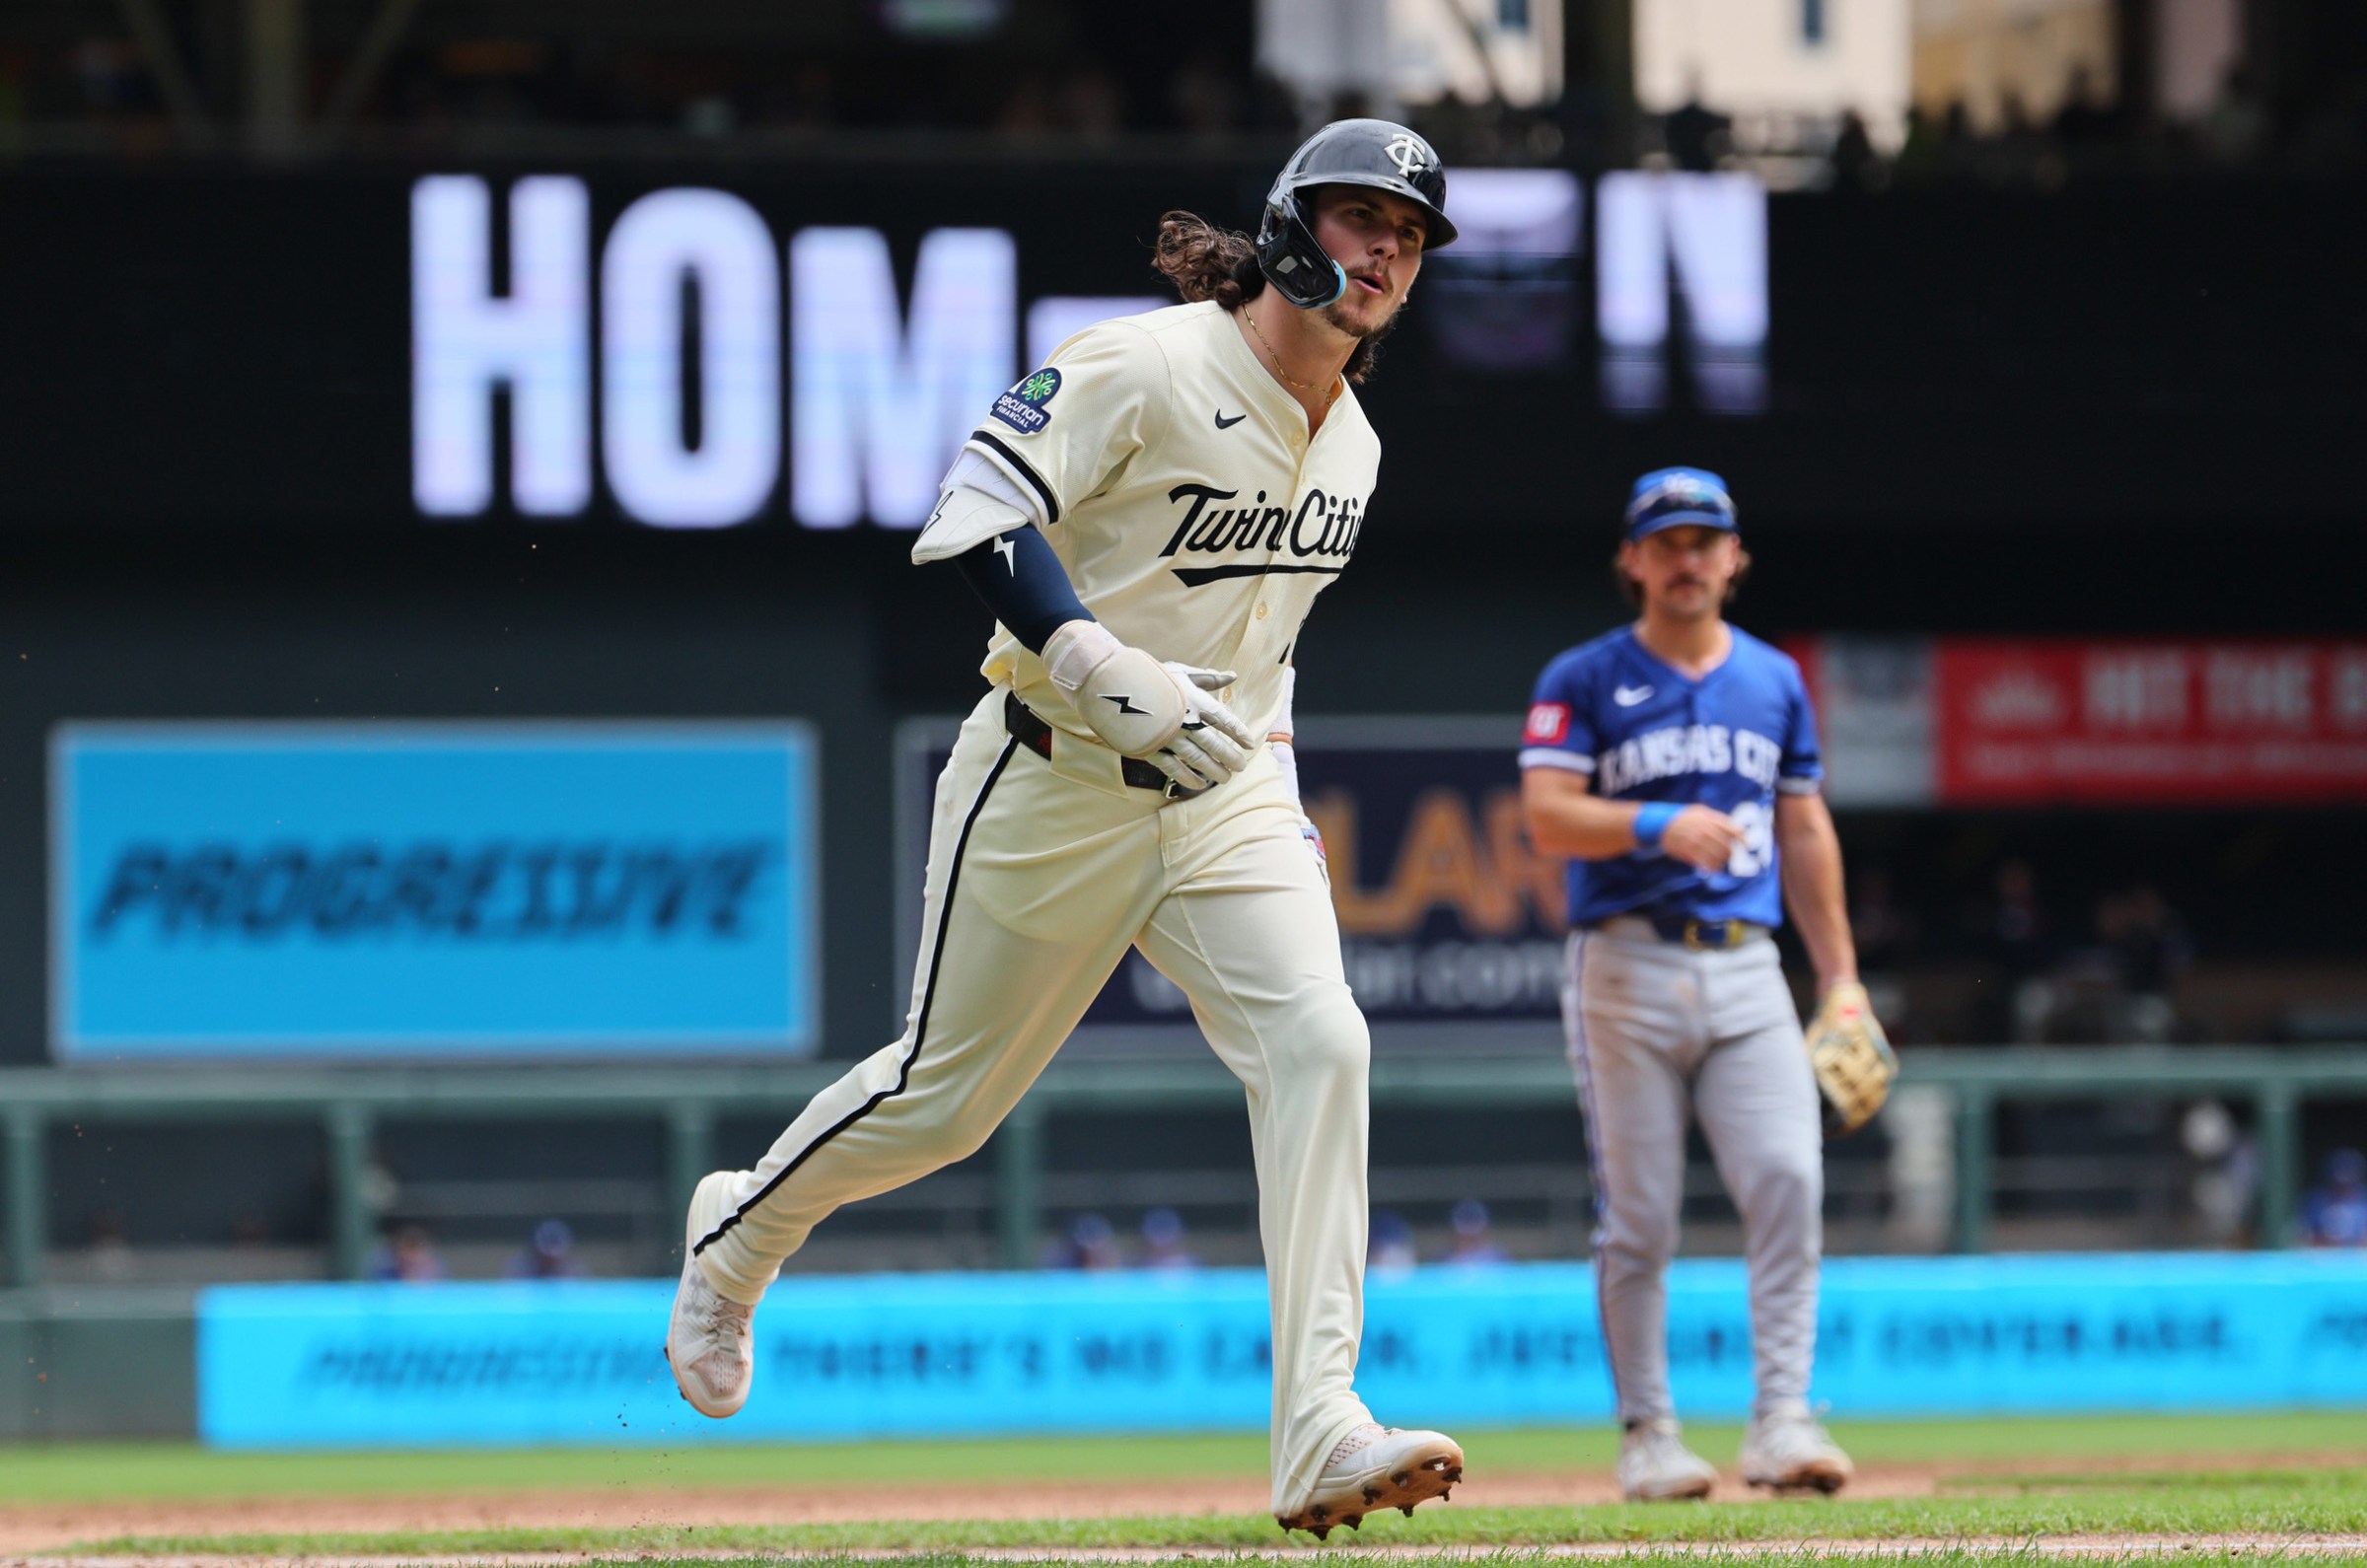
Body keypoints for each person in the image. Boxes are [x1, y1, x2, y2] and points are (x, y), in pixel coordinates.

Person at [665, 118, 1466, 1538]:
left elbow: (1263, 642)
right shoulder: (1149, 360)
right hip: (1056, 767)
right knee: (944, 1102)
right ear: (1291, 224)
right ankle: (736, 1237)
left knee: (1323, 1043)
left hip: (1228, 789)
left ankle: (1319, 1427)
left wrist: (1257, 767)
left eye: (1408, 235)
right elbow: (975, 508)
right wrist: (1095, 662)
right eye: (1362, 218)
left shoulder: (1356, 438)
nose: (1386, 251)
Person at [1519, 468, 1859, 1502]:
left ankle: (1784, 1422)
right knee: (1642, 1217)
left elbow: (1805, 827)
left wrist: (1841, 978)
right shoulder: (1584, 675)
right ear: (1632, 560)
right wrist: (1657, 823)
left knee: (1790, 1181)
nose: (1686, 560)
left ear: (1734, 556)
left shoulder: (1775, 678)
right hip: (1625, 961)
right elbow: (1546, 815)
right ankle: (1649, 1435)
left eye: (1704, 541)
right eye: (1666, 543)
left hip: (1749, 963)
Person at [2302, 1150, 2367, 1248]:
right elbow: (2307, 1236)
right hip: (2325, 1255)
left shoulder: (2364, 1199)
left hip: (2360, 1255)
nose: (2342, 1185)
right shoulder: (2317, 1201)